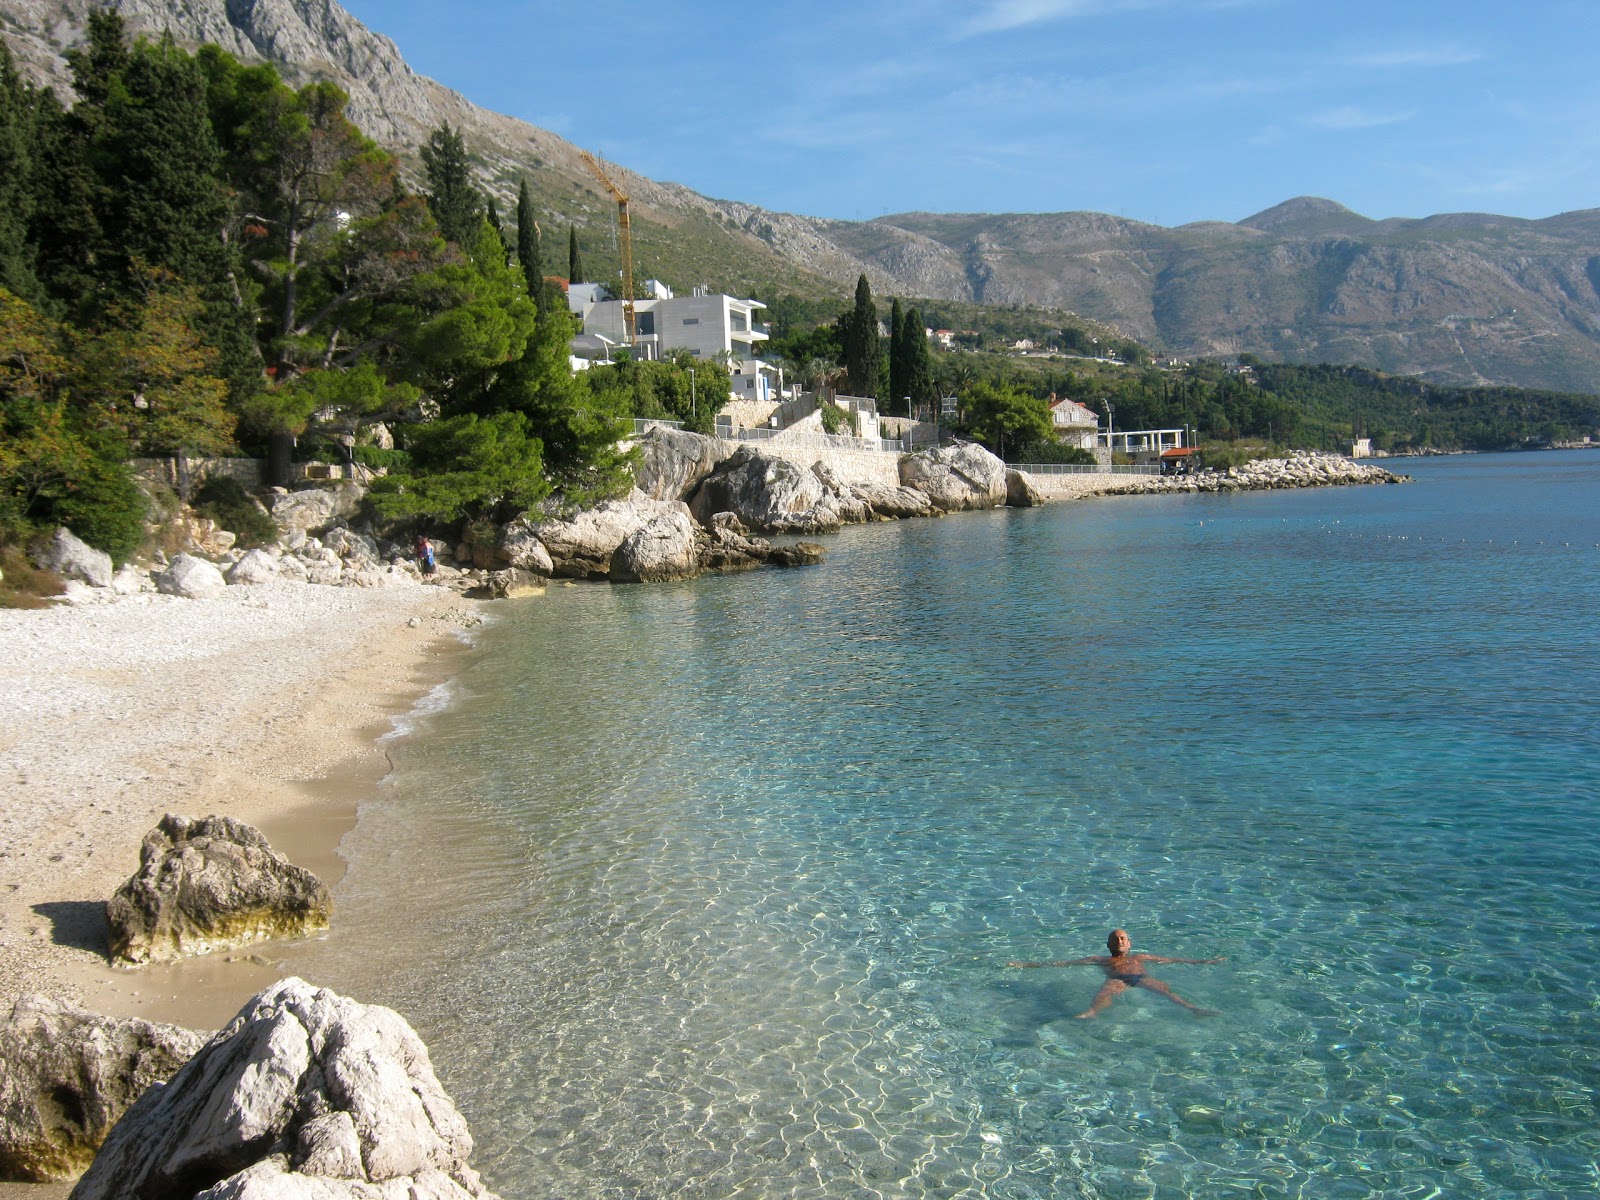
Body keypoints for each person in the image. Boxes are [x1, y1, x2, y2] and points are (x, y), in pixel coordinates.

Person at [1009, 928, 1224, 1019]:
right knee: (1104, 993)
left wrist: (1205, 961)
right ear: (1108, 944)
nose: (1119, 941)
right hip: (1117, 980)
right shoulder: (1100, 959)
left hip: (1141, 977)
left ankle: (1193, 1008)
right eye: (1115, 939)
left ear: (1129, 944)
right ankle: (1093, 1012)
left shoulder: (1140, 957)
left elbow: (1174, 960)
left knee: (1166, 991)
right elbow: (1063, 964)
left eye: (1123, 939)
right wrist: (1026, 965)